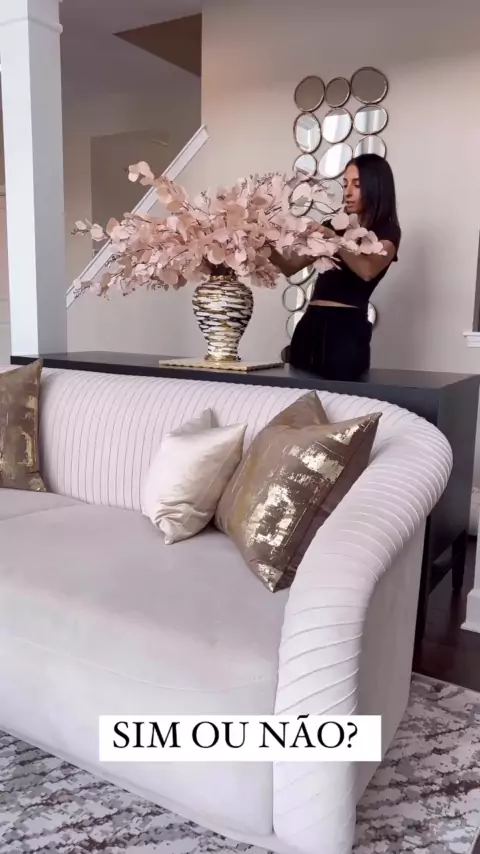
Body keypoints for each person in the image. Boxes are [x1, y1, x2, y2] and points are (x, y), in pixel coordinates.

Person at [272, 153, 401, 380]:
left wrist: (333, 238)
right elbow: (290, 266)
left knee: (341, 397)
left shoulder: (388, 231)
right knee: (297, 394)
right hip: (310, 322)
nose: (347, 192)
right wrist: (263, 243)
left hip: (347, 329)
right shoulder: (333, 225)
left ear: (376, 187)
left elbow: (367, 271)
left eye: (357, 185)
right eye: (345, 184)